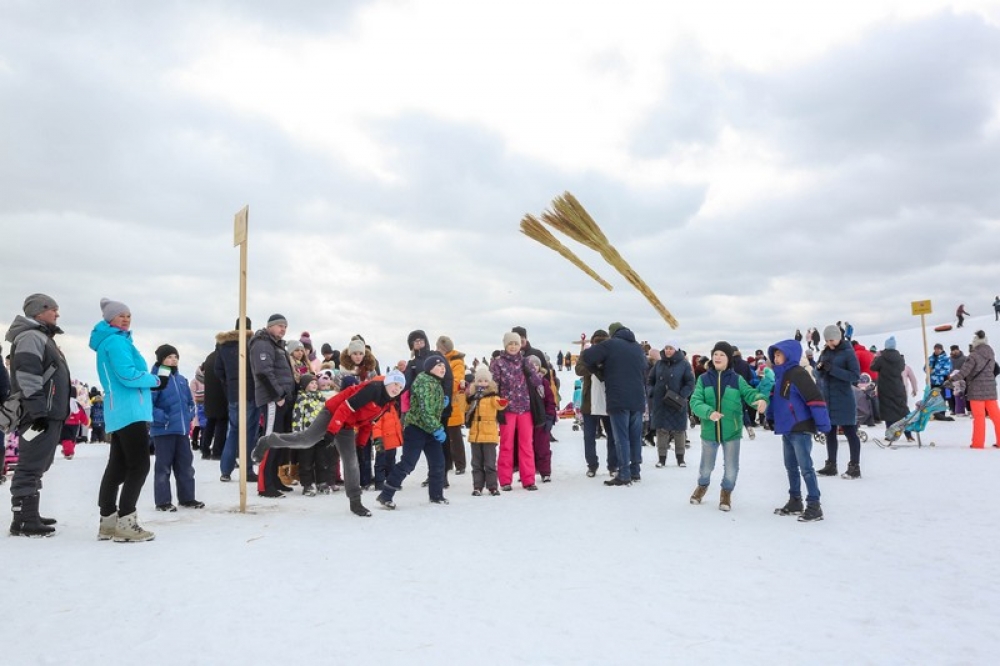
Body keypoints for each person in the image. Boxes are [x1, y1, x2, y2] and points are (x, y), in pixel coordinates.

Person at [253, 370, 407, 516]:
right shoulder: (373, 389)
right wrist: (331, 432)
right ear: (387, 382)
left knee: (351, 461)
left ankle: (355, 502)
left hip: (347, 425)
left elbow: (367, 422)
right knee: (306, 440)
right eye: (395, 384)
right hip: (333, 412)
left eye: (400, 387)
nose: (397, 389)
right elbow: (345, 407)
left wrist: (360, 444)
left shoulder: (387, 403)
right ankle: (269, 440)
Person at [90, 298, 164, 543]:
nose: (125, 318)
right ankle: (126, 521)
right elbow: (127, 376)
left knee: (118, 466)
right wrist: (155, 380)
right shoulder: (116, 342)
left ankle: (108, 521)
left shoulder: (109, 342)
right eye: (120, 315)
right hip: (130, 409)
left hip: (118, 410)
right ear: (109, 319)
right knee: (139, 465)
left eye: (128, 315)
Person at [4, 294, 71, 537]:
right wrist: (39, 410)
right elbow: (28, 375)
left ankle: (29, 513)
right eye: (53, 309)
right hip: (38, 413)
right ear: (38, 311)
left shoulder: (41, 336)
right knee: (30, 465)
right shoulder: (32, 337)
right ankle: (23, 519)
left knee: (39, 463)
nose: (57, 314)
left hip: (47, 411)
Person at [688, 341, 768, 511]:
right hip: (710, 431)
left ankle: (726, 492)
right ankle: (702, 486)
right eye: (715, 354)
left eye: (722, 354)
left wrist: (760, 400)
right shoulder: (703, 379)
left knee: (731, 468)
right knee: (706, 467)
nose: (717, 357)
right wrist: (709, 412)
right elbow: (695, 401)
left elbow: (750, 393)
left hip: (732, 430)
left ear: (728, 359)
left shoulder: (737, 379)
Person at [767, 340, 830, 523]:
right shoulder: (780, 376)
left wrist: (823, 424)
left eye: (779, 354)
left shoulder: (798, 374)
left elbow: (814, 399)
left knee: (806, 469)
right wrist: (770, 418)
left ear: (789, 355)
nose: (776, 358)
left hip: (800, 428)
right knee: (790, 467)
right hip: (787, 429)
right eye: (775, 355)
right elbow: (775, 400)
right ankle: (795, 500)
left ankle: (814, 505)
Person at [580, 322, 649, 487]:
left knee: (622, 437)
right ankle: (635, 471)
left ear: (612, 333)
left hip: (618, 398)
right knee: (635, 437)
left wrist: (599, 369)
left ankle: (624, 473)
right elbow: (645, 368)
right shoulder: (637, 348)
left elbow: (587, 357)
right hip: (638, 399)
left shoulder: (610, 344)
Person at [376, 359, 449, 509]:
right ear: (430, 368)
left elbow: (429, 405)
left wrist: (441, 403)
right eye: (439, 366)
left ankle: (436, 496)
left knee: (438, 463)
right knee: (408, 463)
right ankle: (386, 494)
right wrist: (437, 428)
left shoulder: (435, 383)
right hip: (416, 428)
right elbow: (424, 410)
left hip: (429, 429)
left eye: (444, 366)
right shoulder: (424, 382)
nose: (443, 368)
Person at [150, 344, 204, 512]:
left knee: (186, 466)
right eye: (169, 357)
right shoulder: (155, 379)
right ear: (161, 360)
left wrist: (189, 416)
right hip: (163, 430)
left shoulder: (181, 380)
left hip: (181, 431)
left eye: (175, 357)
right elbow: (148, 405)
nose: (173, 360)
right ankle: (163, 501)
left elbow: (189, 402)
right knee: (163, 467)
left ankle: (187, 498)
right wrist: (163, 418)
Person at [250, 314, 297, 498]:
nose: (283, 329)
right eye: (279, 326)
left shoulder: (278, 345)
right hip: (273, 399)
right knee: (269, 440)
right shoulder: (262, 342)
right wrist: (277, 395)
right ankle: (264, 485)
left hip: (283, 398)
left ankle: (275, 479)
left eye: (285, 326)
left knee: (279, 441)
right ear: (269, 326)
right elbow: (263, 371)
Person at [491, 331, 540, 491]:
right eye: (510, 343)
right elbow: (493, 385)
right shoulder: (498, 363)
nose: (513, 346)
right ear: (505, 345)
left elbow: (537, 380)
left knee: (526, 444)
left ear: (520, 345)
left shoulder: (525, 361)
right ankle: (505, 480)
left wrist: (535, 372)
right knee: (506, 444)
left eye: (516, 343)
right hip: (507, 409)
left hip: (525, 408)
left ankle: (529, 480)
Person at [214, 318, 259, 483]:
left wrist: (229, 383)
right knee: (249, 433)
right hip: (251, 393)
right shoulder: (251, 343)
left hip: (233, 394)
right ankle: (247, 470)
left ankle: (225, 470)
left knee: (233, 431)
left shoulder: (223, 346)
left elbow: (218, 370)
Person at [815, 324, 863, 480]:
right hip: (828, 398)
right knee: (829, 432)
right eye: (827, 340)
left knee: (850, 432)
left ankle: (854, 466)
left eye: (832, 340)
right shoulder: (825, 352)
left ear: (839, 337)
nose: (830, 343)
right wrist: (820, 370)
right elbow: (818, 372)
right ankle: (831, 465)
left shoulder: (849, 353)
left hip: (843, 398)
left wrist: (832, 370)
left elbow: (855, 376)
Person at [575, 330, 618, 478]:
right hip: (589, 401)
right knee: (589, 436)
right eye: (596, 343)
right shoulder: (586, 354)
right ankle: (592, 465)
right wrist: (592, 366)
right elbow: (578, 369)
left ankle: (613, 465)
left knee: (612, 435)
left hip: (609, 400)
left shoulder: (612, 355)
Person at [647, 341, 695, 468]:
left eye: (671, 348)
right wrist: (652, 391)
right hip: (660, 402)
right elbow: (650, 380)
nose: (668, 351)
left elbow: (690, 382)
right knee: (661, 430)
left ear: (676, 350)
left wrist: (682, 395)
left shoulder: (684, 364)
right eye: (666, 348)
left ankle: (680, 458)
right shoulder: (658, 364)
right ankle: (661, 459)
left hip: (677, 401)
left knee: (679, 430)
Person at [949, 330, 1000, 449]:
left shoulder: (973, 355)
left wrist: (951, 380)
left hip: (976, 390)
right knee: (996, 416)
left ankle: (978, 443)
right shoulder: (991, 354)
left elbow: (964, 372)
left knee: (979, 417)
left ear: (975, 342)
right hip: (991, 389)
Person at [465, 364, 508, 495]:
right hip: (475, 434)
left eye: (485, 381)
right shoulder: (472, 397)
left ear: (490, 382)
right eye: (479, 381)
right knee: (476, 463)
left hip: (489, 434)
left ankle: (492, 486)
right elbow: (465, 409)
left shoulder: (493, 396)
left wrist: (503, 403)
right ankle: (477, 486)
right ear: (475, 382)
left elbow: (499, 405)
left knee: (489, 463)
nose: (482, 383)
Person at [291, 374, 329, 496]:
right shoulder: (302, 399)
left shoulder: (321, 398)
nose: (314, 385)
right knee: (306, 461)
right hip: (307, 435)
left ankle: (321, 482)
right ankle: (307, 484)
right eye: (311, 383)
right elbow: (297, 417)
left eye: (315, 383)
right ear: (304, 385)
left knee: (321, 460)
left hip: (320, 436)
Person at [437, 335, 468, 477]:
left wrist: (442, 387)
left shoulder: (456, 362)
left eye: (440, 348)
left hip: (453, 403)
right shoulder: (440, 360)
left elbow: (456, 381)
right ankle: (447, 463)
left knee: (455, 436)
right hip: (442, 402)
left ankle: (460, 464)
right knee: (445, 436)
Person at [871, 337, 912, 442]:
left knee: (888, 411)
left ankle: (890, 434)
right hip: (898, 387)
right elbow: (902, 368)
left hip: (885, 389)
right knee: (902, 410)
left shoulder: (881, 358)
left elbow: (873, 367)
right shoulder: (900, 358)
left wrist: (876, 357)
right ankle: (909, 434)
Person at [525, 355, 557, 482]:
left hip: (542, 420)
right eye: (531, 365)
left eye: (536, 364)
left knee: (543, 447)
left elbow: (550, 401)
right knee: (528, 447)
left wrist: (550, 417)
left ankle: (545, 472)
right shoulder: (523, 382)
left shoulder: (544, 382)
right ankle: (528, 471)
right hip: (527, 419)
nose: (534, 367)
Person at [927, 343, 953, 422]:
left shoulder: (946, 359)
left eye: (939, 349)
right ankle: (935, 414)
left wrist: (934, 371)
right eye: (936, 349)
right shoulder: (930, 358)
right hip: (932, 382)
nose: (937, 350)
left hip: (942, 382)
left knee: (943, 398)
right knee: (933, 398)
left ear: (941, 349)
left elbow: (947, 370)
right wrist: (928, 370)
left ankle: (942, 413)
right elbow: (925, 368)